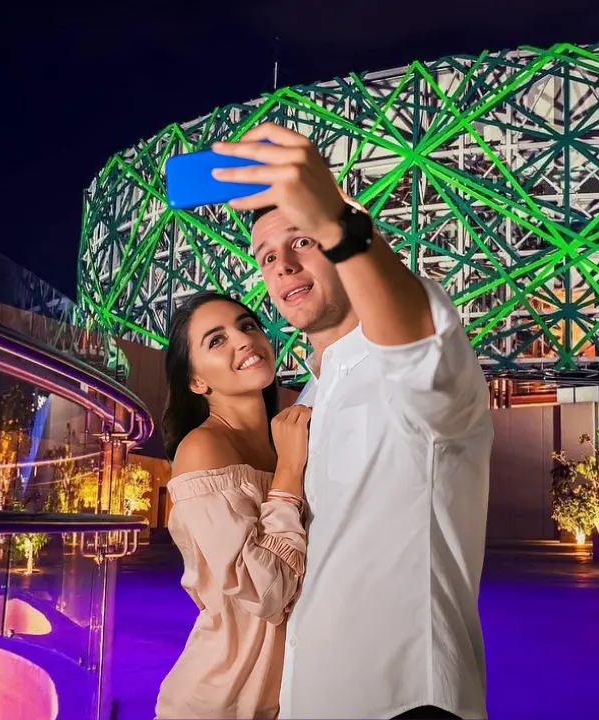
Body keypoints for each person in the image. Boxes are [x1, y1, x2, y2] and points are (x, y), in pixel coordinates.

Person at [211, 123, 493, 719]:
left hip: (406, 699)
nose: (283, 264)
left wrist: (337, 223)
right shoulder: (317, 391)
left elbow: (413, 343)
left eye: (301, 241)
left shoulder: (416, 361)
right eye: (267, 256)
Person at [154, 291, 313, 720]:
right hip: (219, 701)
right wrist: (289, 472)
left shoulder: (287, 442)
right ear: (197, 382)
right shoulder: (203, 449)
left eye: (247, 326)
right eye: (216, 340)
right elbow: (267, 592)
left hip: (291, 695)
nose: (243, 340)